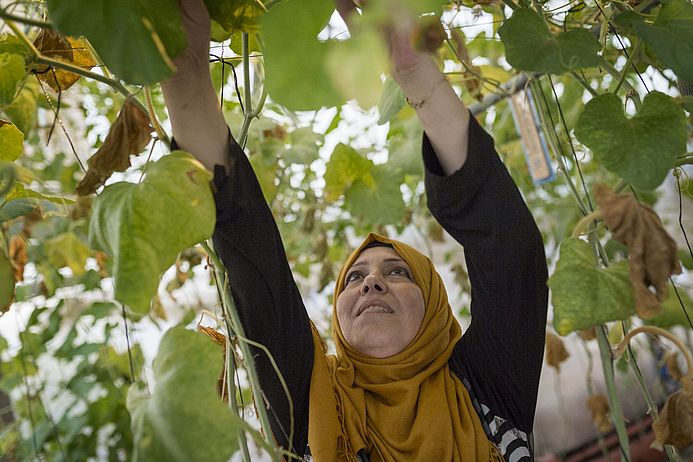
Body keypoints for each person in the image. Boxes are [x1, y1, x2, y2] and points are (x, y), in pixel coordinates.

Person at [161, 0, 548, 460]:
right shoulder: (308, 400)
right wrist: (185, 79)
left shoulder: (487, 387)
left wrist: (417, 76)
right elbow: (252, 262)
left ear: (435, 308)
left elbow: (510, 247)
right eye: (353, 277)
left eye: (399, 272)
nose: (371, 282)